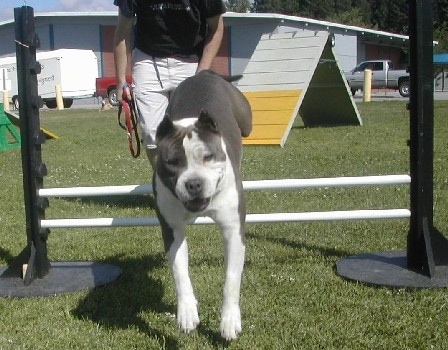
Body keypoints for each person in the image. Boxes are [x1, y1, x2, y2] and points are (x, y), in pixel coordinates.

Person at [113, 0, 227, 167]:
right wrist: (121, 81)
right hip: (148, 59)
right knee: (152, 135)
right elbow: (123, 32)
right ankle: (166, 185)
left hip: (191, 60)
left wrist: (201, 72)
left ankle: (192, 181)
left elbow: (216, 29)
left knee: (192, 131)